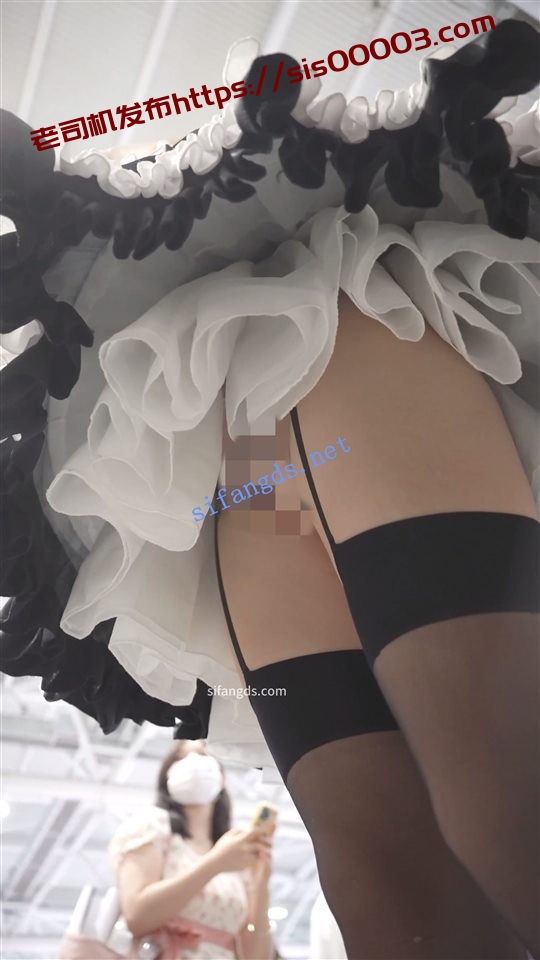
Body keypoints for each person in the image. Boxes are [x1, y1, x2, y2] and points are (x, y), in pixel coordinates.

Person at [1, 14, 539, 960]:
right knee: (477, 788)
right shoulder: (162, 839)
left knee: (396, 859)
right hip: (302, 387)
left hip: (235, 456)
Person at [109, 739, 275, 959]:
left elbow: (257, 956)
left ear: (222, 778)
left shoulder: (236, 859)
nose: (194, 762)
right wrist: (215, 863)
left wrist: (261, 887)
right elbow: (137, 916)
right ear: (167, 777)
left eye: (204, 754)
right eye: (181, 758)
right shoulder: (151, 827)